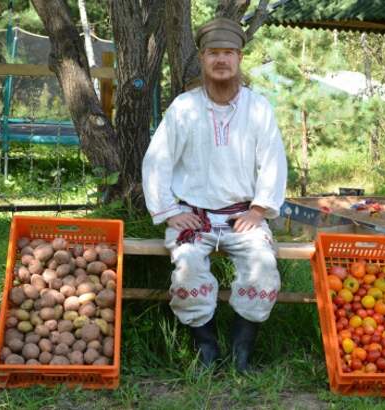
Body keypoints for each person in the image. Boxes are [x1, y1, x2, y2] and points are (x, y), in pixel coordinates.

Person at [142, 17, 287, 372]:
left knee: (264, 268)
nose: (221, 60)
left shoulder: (258, 108)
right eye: (213, 54)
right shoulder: (184, 108)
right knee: (188, 267)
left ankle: (241, 355)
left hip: (243, 216)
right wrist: (169, 210)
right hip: (195, 216)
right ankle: (206, 350)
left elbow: (272, 160)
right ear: (203, 58)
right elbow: (157, 161)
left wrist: (259, 209)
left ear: (239, 58)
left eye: (228, 53)